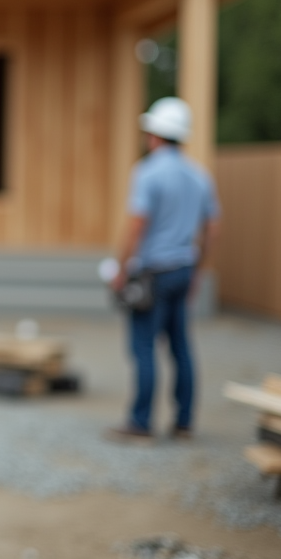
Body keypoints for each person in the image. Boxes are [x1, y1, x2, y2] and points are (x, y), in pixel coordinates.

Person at [108, 96, 220, 443]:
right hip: (184, 269)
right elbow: (212, 228)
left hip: (152, 273)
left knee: (143, 346)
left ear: (155, 134)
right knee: (181, 347)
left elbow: (137, 226)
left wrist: (120, 268)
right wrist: (199, 270)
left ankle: (141, 422)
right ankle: (183, 422)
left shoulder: (147, 171)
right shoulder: (199, 176)